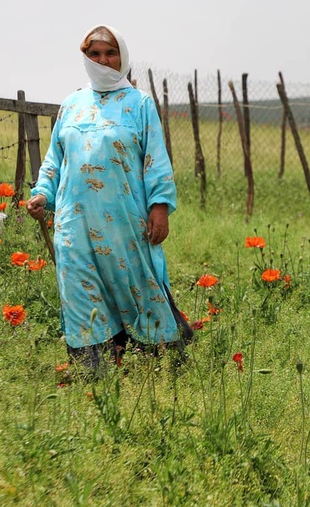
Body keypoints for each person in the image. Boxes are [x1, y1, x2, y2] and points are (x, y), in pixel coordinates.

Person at [26, 25, 192, 370]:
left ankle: (160, 362)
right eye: (95, 54)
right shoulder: (71, 105)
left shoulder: (140, 104)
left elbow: (155, 160)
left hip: (124, 221)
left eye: (110, 53)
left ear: (123, 57)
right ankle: (93, 370)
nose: (103, 61)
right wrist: (42, 193)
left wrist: (159, 207)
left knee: (136, 285)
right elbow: (55, 159)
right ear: (85, 58)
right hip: (73, 222)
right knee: (79, 289)